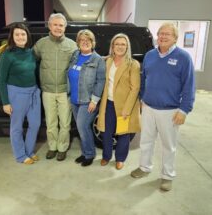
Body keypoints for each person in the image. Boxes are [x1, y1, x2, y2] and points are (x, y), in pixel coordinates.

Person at [130, 22, 195, 191]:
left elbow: (189, 86)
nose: (163, 37)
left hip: (170, 110)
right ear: (157, 36)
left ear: (175, 38)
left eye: (168, 34)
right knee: (146, 141)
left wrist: (184, 110)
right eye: (161, 33)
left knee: (168, 145)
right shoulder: (150, 55)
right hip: (149, 108)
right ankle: (144, 167)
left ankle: (167, 175)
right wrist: (142, 99)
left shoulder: (183, 58)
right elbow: (144, 79)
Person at [33, 13, 77, 161]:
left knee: (65, 122)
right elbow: (32, 60)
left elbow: (82, 60)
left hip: (65, 91)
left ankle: (62, 147)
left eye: (61, 25)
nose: (58, 28)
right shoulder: (41, 44)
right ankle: (52, 147)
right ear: (50, 26)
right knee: (51, 122)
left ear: (65, 27)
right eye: (55, 25)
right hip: (48, 90)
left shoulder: (71, 45)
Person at [0, 23, 41, 165]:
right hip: (16, 94)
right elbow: (1, 80)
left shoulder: (31, 52)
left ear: (27, 36)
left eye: (23, 34)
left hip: (33, 92)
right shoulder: (7, 55)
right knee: (17, 127)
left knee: (35, 124)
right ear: (12, 36)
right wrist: (5, 102)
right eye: (17, 34)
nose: (20, 37)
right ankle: (21, 155)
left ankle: (29, 151)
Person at [97, 33, 141, 170]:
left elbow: (135, 88)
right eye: (117, 44)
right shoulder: (108, 61)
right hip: (108, 103)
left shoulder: (133, 64)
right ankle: (106, 156)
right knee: (106, 132)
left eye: (123, 44)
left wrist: (127, 109)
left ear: (127, 46)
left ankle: (120, 158)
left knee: (123, 133)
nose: (120, 47)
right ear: (112, 46)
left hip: (124, 105)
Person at [68, 29, 105, 167]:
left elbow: (101, 81)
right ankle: (84, 152)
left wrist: (94, 100)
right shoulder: (75, 56)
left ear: (92, 42)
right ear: (78, 43)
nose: (85, 42)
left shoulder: (98, 60)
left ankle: (89, 154)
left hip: (88, 101)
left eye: (88, 40)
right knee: (80, 128)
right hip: (74, 99)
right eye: (82, 40)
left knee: (83, 126)